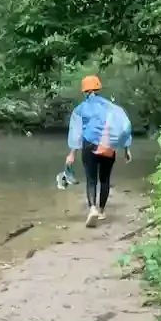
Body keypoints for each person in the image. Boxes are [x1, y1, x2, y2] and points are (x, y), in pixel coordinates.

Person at [65, 75, 132, 228]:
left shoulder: (80, 109)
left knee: (91, 179)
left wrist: (71, 154)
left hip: (89, 145)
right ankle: (101, 211)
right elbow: (124, 127)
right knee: (105, 179)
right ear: (98, 88)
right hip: (108, 146)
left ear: (84, 91)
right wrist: (126, 148)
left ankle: (92, 209)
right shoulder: (112, 108)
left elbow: (76, 133)